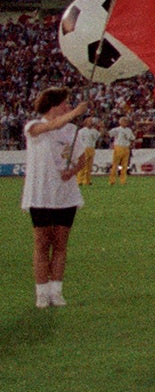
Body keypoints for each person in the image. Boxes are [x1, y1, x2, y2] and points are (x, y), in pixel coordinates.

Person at [23, 87, 92, 308]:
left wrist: (71, 172)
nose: (69, 107)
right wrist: (76, 113)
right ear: (54, 105)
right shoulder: (33, 126)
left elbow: (82, 158)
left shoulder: (72, 130)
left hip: (65, 196)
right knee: (42, 243)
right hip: (41, 194)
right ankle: (41, 292)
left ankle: (56, 291)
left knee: (61, 244)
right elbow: (52, 125)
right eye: (65, 103)